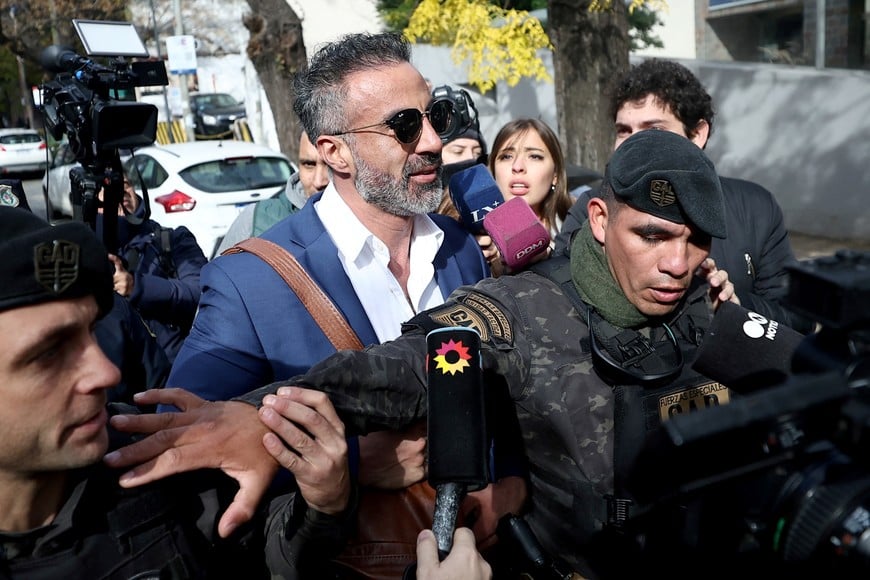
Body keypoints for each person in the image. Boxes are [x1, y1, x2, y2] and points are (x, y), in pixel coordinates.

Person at [105, 129, 743, 578]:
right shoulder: (520, 308)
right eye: (653, 237)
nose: (676, 264)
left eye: (694, 242)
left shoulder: (710, 304)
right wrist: (265, 413)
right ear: (600, 220)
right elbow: (406, 366)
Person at [164, 31, 522, 572]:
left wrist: (502, 487)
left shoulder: (461, 249)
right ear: (334, 151)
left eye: (436, 115)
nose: (430, 141)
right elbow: (187, 449)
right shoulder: (248, 280)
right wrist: (351, 462)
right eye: (404, 126)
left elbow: (494, 389)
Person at [0, 205, 355, 578]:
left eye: (92, 332)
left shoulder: (155, 455)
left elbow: (265, 556)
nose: (105, 372)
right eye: (49, 354)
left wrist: (325, 503)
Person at [554, 58, 810, 332]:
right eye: (623, 131)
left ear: (697, 134)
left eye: (653, 129)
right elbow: (558, 304)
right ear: (599, 219)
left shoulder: (755, 207)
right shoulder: (594, 208)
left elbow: (799, 316)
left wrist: (736, 307)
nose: (635, 143)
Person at [102, 174, 208, 363]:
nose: (120, 191)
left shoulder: (171, 239)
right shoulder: (85, 251)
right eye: (108, 187)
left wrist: (137, 287)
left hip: (175, 367)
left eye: (125, 184)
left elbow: (201, 294)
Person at [216, 129, 329, 254]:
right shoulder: (255, 218)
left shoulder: (354, 224)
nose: (319, 181)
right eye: (309, 164)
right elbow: (219, 272)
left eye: (330, 165)